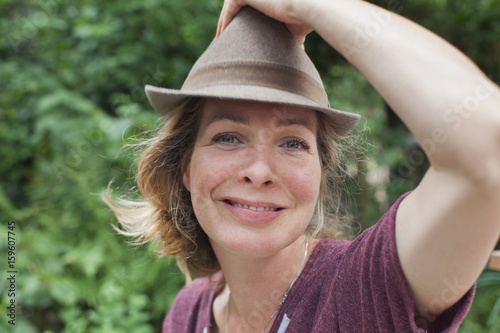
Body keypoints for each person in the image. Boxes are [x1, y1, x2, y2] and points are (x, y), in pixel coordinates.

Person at [106, 0, 500, 332]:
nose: (259, 171)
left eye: (292, 143)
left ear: (320, 172)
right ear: (185, 167)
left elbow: (489, 147)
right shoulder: (190, 313)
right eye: (228, 137)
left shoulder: (361, 291)